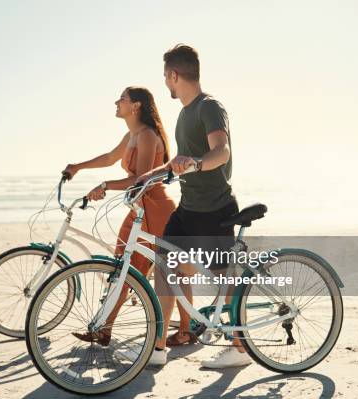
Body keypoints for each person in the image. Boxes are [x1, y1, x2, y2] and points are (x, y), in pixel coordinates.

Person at [139, 44, 252, 368]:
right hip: (188, 209)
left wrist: (197, 163)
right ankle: (158, 346)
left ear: (174, 75)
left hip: (214, 209)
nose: (165, 82)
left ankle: (239, 348)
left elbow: (222, 152)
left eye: (165, 76)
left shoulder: (208, 107)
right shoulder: (184, 114)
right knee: (165, 264)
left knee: (224, 278)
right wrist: (143, 180)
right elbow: (179, 163)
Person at [62, 86, 177, 365]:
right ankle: (104, 328)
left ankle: (183, 329)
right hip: (139, 210)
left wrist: (106, 185)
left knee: (160, 273)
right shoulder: (132, 135)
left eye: (122, 99)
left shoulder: (148, 135)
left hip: (156, 209)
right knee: (121, 267)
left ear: (136, 105)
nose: (116, 102)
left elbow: (141, 179)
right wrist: (78, 166)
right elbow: (109, 158)